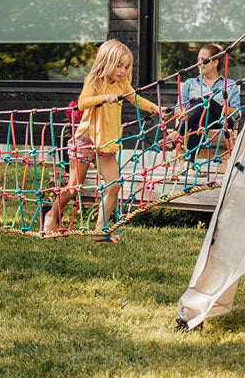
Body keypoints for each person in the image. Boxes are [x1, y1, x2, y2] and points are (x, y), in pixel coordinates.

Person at [42, 39, 166, 242]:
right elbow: (83, 102)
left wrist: (155, 108)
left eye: (126, 66)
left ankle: (101, 230)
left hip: (106, 144)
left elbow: (135, 98)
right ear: (107, 61)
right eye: (119, 65)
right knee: (74, 187)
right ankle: (51, 215)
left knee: (114, 185)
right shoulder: (94, 80)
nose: (123, 70)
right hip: (86, 140)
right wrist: (103, 97)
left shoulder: (122, 83)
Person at [175, 44, 241, 161]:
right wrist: (188, 111)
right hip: (198, 121)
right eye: (198, 60)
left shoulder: (230, 84)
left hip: (221, 123)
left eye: (203, 59)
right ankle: (189, 163)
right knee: (204, 114)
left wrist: (227, 109)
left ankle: (177, 133)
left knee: (204, 100)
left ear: (215, 62)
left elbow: (237, 113)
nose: (199, 63)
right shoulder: (190, 83)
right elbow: (178, 109)